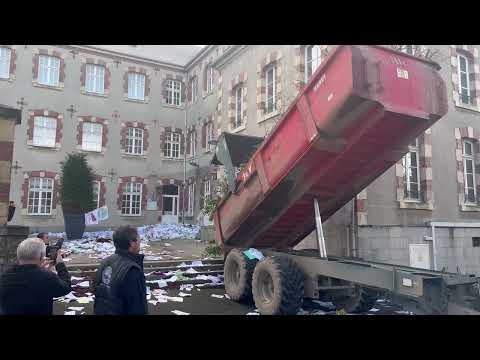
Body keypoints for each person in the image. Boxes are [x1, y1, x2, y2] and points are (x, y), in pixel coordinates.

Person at [0, 238, 71, 315]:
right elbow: (65, 287)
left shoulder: (4, 276)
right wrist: (60, 265)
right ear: (41, 255)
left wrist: (40, 270)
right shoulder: (46, 278)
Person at [93, 225, 147, 315]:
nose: (140, 242)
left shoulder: (105, 262)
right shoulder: (132, 270)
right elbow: (137, 306)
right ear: (132, 243)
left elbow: (97, 292)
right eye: (138, 239)